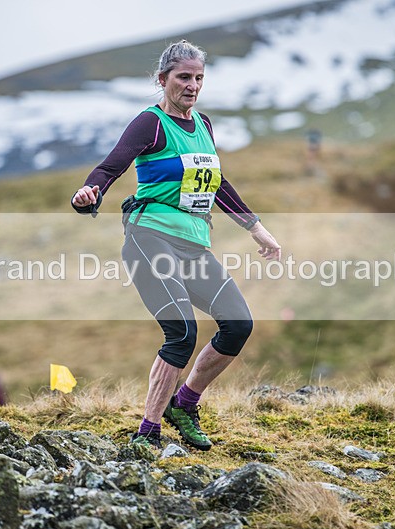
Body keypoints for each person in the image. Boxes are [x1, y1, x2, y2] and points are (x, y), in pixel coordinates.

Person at [71, 40, 281, 451]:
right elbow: (112, 165)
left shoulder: (203, 125)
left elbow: (215, 184)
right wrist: (90, 191)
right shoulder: (149, 123)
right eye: (184, 77)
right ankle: (147, 433)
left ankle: (184, 404)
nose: (193, 85)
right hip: (149, 238)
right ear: (163, 79)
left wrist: (256, 228)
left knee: (238, 325)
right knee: (181, 332)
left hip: (194, 246)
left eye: (199, 78)